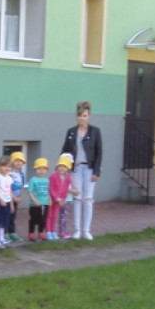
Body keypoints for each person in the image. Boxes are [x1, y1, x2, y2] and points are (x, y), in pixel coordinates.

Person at [60, 100, 102, 240]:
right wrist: (64, 167)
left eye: (84, 115)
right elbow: (65, 151)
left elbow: (99, 152)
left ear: (89, 116)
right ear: (76, 116)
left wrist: (96, 171)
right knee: (77, 198)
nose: (82, 118)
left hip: (89, 168)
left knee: (88, 199)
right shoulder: (71, 132)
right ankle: (77, 230)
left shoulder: (95, 131)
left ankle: (86, 230)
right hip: (76, 168)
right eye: (79, 115)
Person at [46, 153, 76, 241]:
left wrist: (63, 199)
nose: (62, 168)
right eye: (60, 166)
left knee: (55, 216)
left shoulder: (68, 178)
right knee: (49, 215)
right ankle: (48, 231)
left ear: (68, 169)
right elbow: (51, 189)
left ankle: (53, 231)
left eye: (64, 166)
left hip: (59, 201)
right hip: (51, 199)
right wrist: (56, 198)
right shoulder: (53, 176)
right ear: (57, 167)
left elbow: (66, 189)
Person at [26, 157, 50, 242]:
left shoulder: (47, 180)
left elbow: (48, 191)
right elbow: (30, 191)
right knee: (33, 219)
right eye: (39, 169)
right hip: (35, 205)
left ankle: (41, 233)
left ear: (46, 170)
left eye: (44, 169)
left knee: (42, 219)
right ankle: (31, 233)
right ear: (35, 169)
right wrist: (34, 200)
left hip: (45, 204)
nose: (41, 171)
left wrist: (49, 200)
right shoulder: (33, 180)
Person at [7, 151, 26, 242]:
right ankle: (5, 233)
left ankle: (12, 232)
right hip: (8, 197)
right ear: (12, 162)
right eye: (16, 160)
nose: (18, 163)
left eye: (20, 161)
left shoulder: (22, 174)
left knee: (13, 216)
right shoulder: (10, 173)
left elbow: (22, 186)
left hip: (17, 198)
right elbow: (8, 186)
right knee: (8, 215)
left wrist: (21, 197)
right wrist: (13, 197)